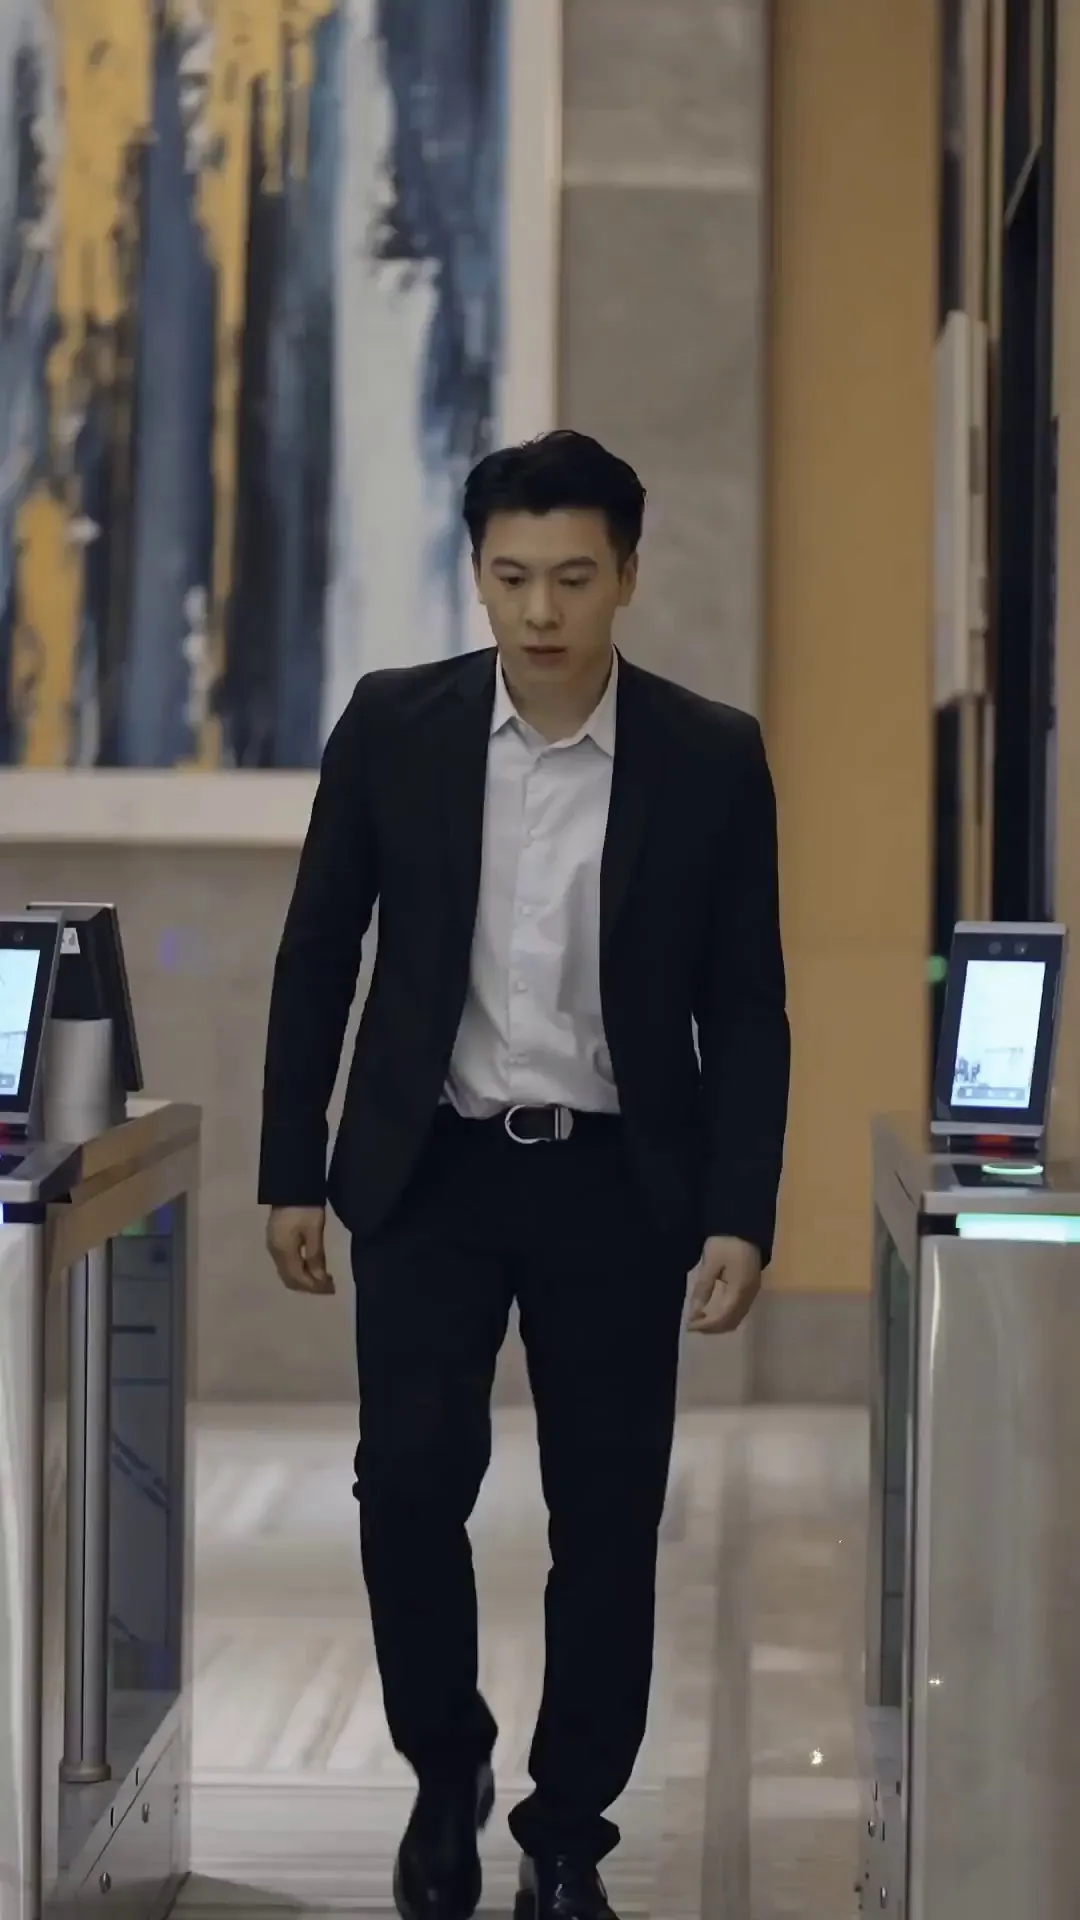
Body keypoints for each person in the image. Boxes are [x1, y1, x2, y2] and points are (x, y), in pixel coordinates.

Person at [259, 430, 790, 1920]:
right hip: (429, 1173)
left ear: (628, 575)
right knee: (407, 1489)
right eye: (511, 577)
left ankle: (567, 1832)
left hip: (618, 1184)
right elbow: (318, 951)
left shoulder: (708, 754)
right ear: (477, 575)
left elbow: (748, 1002)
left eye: (572, 577)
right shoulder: (395, 724)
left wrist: (741, 1209)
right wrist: (290, 1165)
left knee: (607, 1518)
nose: (541, 610)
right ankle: (447, 1770)